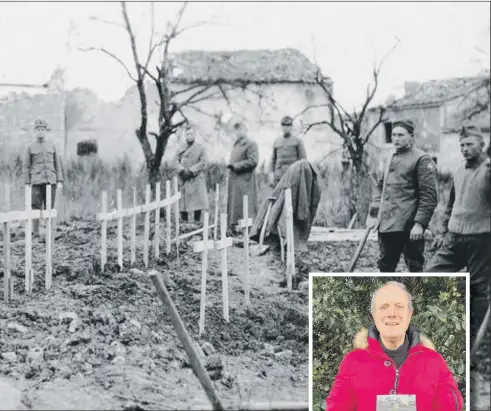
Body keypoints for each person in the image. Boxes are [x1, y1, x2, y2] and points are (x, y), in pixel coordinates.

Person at [425, 122, 490, 409]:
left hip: (481, 237)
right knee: (431, 275)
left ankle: (475, 341)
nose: (465, 149)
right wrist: (441, 232)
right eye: (462, 145)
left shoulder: (487, 170)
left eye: (470, 144)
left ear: (481, 145)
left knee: (478, 287)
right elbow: (450, 205)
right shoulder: (459, 171)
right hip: (455, 235)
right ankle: (444, 324)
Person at [325, 281, 463, 411]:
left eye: (399, 306)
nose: (392, 314)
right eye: (384, 307)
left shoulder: (434, 362)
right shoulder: (353, 362)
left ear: (410, 314)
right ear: (374, 315)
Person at [369, 119, 437, 272]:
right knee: (385, 266)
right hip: (387, 225)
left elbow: (429, 197)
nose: (396, 139)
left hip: (410, 226)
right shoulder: (389, 158)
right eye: (393, 135)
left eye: (400, 135)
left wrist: (420, 224)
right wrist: (375, 206)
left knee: (415, 267)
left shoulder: (422, 159)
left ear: (411, 136)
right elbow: (380, 186)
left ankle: (416, 296)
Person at [22, 118, 63, 237]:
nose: (40, 132)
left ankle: (49, 232)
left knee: (50, 207)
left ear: (46, 131)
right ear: (35, 131)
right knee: (35, 207)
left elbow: (58, 164)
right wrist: (27, 182)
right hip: (36, 182)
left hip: (51, 182)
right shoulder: (30, 147)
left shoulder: (52, 146)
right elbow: (26, 166)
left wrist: (59, 180)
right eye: (38, 129)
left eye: (43, 129)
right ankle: (36, 233)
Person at [227, 122, 259, 233]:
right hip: (235, 180)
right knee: (235, 207)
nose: (238, 131)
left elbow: (253, 161)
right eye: (236, 130)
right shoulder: (236, 144)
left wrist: (236, 166)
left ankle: (248, 232)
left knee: (246, 207)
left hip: (246, 181)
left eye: (240, 129)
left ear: (245, 130)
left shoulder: (251, 144)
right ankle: (235, 230)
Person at [175, 124, 209, 224]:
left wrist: (191, 171)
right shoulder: (180, 148)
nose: (189, 136)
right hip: (184, 178)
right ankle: (184, 224)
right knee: (183, 203)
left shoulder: (200, 148)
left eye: (191, 134)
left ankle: (196, 223)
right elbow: (174, 162)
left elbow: (203, 162)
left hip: (196, 178)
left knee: (197, 202)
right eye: (187, 134)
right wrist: (181, 170)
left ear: (194, 135)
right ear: (185, 136)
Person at [269, 115, 307, 186]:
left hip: (293, 176)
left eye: (288, 125)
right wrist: (271, 175)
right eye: (284, 125)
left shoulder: (297, 141)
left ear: (291, 127)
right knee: (279, 197)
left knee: (290, 196)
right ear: (281, 127)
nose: (286, 128)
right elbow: (273, 161)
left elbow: (303, 161)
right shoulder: (277, 142)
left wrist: (302, 177)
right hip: (279, 177)